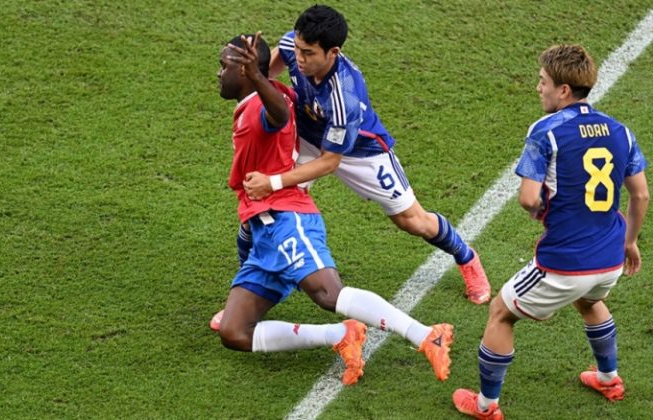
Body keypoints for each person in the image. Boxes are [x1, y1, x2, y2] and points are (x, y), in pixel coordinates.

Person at [216, 32, 454, 385]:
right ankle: (340, 335)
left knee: (329, 293)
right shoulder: (265, 96)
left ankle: (426, 335)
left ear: (246, 71)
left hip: (287, 219)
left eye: (224, 66)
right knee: (234, 331)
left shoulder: (262, 106)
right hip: (265, 230)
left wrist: (256, 76)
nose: (219, 73)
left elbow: (278, 116)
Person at [239, 4, 491, 306]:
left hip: (359, 151)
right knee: (261, 207)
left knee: (412, 221)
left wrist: (274, 181)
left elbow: (329, 162)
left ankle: (466, 257)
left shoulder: (345, 96)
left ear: (333, 52)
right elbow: (269, 71)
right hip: (308, 136)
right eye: (298, 49)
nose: (300, 58)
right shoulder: (294, 45)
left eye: (308, 53)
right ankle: (245, 295)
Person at [452, 44, 648, 419]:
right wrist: (631, 242)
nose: (538, 88)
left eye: (543, 81)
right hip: (610, 258)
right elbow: (640, 194)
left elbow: (528, 198)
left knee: (500, 312)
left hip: (565, 262)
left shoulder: (547, 131)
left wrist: (540, 209)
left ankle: (486, 406)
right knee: (589, 301)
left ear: (564, 90)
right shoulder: (620, 131)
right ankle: (608, 379)